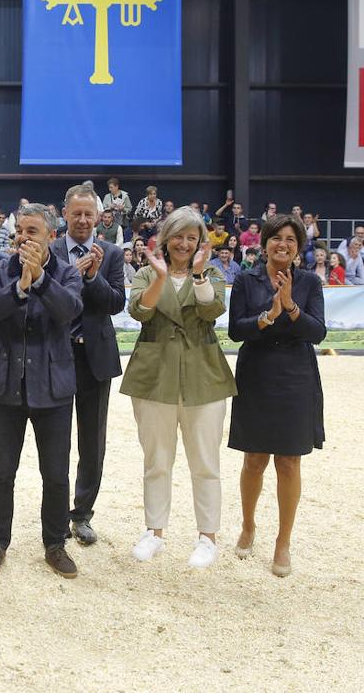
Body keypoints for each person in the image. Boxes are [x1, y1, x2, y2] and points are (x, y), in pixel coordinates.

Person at [120, 207, 236, 569]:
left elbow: (210, 310)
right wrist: (159, 277)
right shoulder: (144, 272)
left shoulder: (213, 273)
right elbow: (140, 311)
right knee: (157, 460)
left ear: (201, 242)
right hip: (154, 376)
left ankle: (208, 537)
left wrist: (198, 274)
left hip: (204, 376)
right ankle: (154, 531)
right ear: (166, 239)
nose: (184, 243)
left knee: (205, 462)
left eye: (192, 237)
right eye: (178, 236)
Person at [0, 203, 83, 579]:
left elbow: (69, 310)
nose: (23, 237)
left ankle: (55, 544)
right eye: (20, 230)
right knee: (2, 470)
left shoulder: (67, 272)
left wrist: (40, 280)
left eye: (32, 231)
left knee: (55, 473)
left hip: (53, 389)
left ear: (51, 236)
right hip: (6, 387)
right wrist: (19, 289)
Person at [227, 214, 326, 578]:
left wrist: (292, 308)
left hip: (296, 375)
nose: (282, 244)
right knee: (254, 458)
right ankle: (248, 525)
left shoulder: (311, 282)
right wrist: (267, 316)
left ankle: (283, 542)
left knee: (289, 461)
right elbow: (236, 330)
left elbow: (319, 333)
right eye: (276, 238)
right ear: (264, 242)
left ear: (299, 247)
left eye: (290, 239)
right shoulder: (245, 279)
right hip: (257, 372)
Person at [50, 185, 125, 546]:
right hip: (57, 357)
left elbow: (115, 304)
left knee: (92, 442)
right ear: (64, 214)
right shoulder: (49, 252)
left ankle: (81, 515)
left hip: (95, 357)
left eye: (88, 214)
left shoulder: (110, 253)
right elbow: (44, 298)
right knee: (56, 440)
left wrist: (93, 277)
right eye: (76, 213)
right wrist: (73, 275)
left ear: (99, 217)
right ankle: (55, 514)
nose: (82, 220)